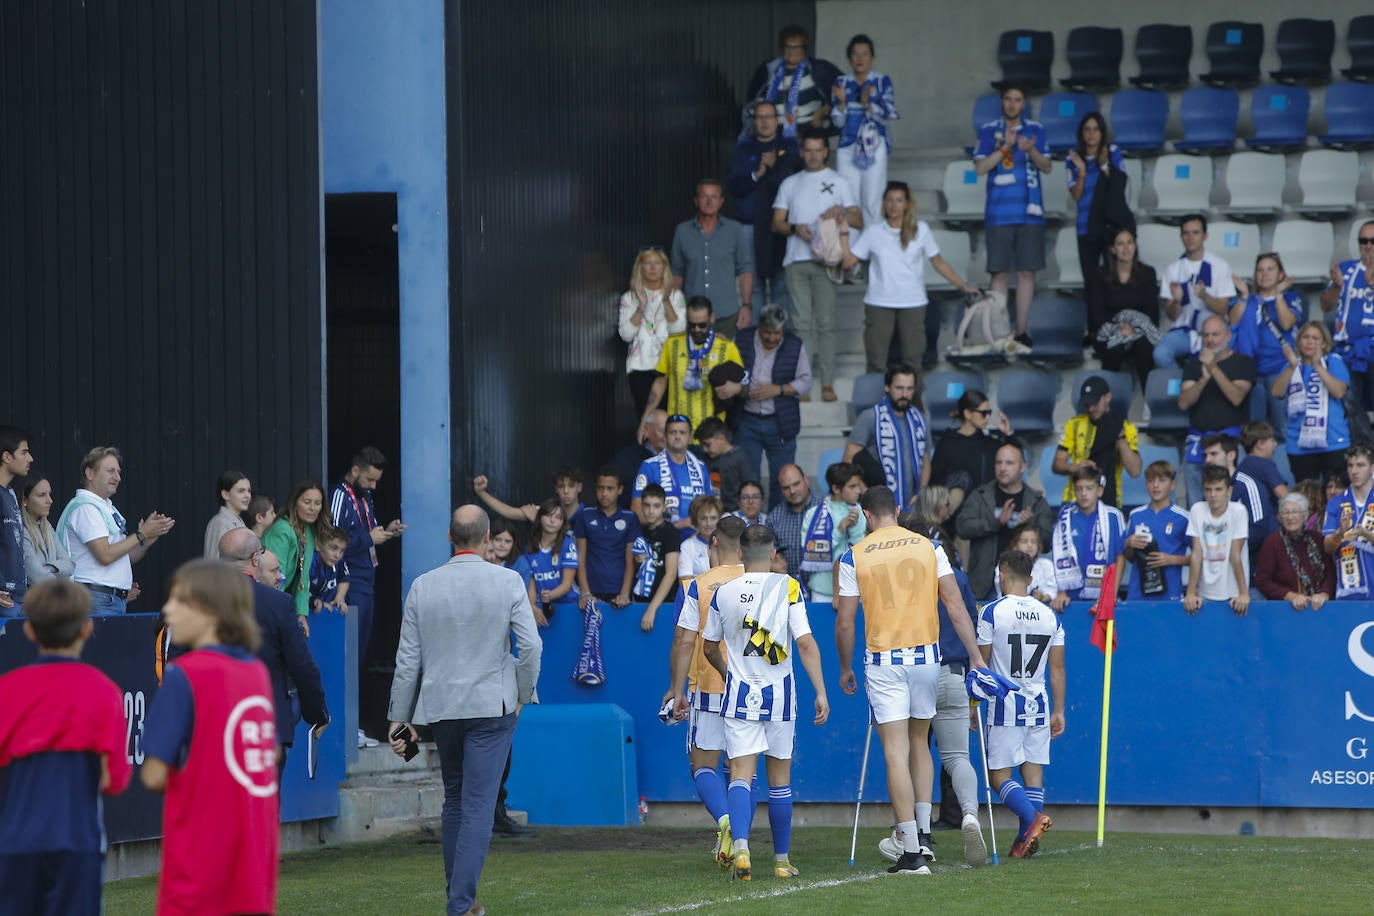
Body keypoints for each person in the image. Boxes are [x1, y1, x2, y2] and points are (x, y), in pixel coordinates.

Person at [388, 506, 542, 916]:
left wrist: (398, 717)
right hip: (492, 703)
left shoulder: (423, 585)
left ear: (449, 535)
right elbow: (531, 646)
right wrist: (525, 692)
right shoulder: (508, 580)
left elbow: (408, 659)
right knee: (474, 804)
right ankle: (460, 905)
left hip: (443, 706)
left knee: (456, 800)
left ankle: (462, 901)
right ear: (487, 537)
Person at [834, 486, 986, 875]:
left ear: (867, 514)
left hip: (885, 659)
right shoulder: (929, 547)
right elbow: (955, 605)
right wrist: (975, 655)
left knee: (894, 750)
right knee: (921, 742)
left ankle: (912, 850)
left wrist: (845, 666)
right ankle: (923, 831)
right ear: (897, 510)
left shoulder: (855, 554)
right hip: (927, 657)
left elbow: (846, 620)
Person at [141, 561, 280, 916]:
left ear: (211, 611)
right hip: (253, 860)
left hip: (199, 856)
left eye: (179, 600)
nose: (168, 609)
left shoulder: (184, 675)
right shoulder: (257, 673)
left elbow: (154, 774)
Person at [703, 525, 828, 881]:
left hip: (739, 694)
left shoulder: (723, 592)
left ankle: (741, 847)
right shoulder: (787, 586)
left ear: (740, 554)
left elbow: (709, 647)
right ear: (772, 555)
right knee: (780, 781)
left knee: (740, 775)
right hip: (780, 696)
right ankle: (781, 860)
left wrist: (729, 673)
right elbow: (804, 642)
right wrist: (820, 690)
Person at [0, 578, 130, 914]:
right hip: (77, 842)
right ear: (87, 629)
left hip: (16, 843)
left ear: (29, 630)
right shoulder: (104, 692)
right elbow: (115, 779)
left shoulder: (7, 690)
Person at [665, 516, 747, 870]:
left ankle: (725, 823)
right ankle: (740, 841)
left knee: (702, 767)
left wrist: (675, 689)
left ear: (713, 542)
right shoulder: (764, 582)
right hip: (751, 689)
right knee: (744, 772)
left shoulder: (696, 585)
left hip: (709, 687)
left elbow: (684, 641)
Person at [978, 550, 1064, 859]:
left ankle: (1032, 820)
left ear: (1002, 575)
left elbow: (982, 663)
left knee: (999, 776)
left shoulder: (991, 611)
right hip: (1038, 703)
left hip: (1004, 703)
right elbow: (1057, 668)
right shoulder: (1050, 615)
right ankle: (1023, 841)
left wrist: (974, 702)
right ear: (1030, 579)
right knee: (1033, 776)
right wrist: (1059, 709)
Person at [222, 529, 330, 773]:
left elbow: (173, 657)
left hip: (211, 727)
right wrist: (318, 712)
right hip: (264, 725)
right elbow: (301, 664)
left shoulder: (194, 600)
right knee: (263, 809)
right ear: (254, 560)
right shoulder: (277, 604)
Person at [840, 182, 977, 373]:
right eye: (889, 200)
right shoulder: (873, 232)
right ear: (883, 204)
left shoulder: (921, 230)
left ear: (906, 204)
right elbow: (848, 262)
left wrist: (962, 285)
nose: (893, 205)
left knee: (913, 364)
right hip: (879, 302)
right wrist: (844, 233)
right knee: (876, 364)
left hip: (912, 302)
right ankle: (876, 403)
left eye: (898, 200)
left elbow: (938, 263)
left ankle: (914, 403)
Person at [772, 126, 863, 401]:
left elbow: (859, 219)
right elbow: (776, 223)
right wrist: (794, 228)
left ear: (826, 152)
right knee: (801, 324)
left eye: (817, 150)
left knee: (825, 323)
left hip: (827, 261)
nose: (812, 155)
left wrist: (842, 211)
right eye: (808, 150)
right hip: (796, 260)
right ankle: (803, 382)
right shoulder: (790, 183)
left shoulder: (840, 181)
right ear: (802, 152)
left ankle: (827, 382)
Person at [330, 446, 406, 719]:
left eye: (376, 481)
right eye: (369, 480)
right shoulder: (339, 495)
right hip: (349, 583)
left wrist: (386, 533)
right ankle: (341, 723)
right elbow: (333, 542)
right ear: (355, 471)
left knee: (359, 657)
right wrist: (369, 540)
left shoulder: (365, 497)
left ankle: (352, 725)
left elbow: (365, 534)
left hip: (367, 580)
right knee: (347, 656)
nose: (373, 486)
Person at [973, 83, 1051, 349]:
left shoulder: (1036, 130)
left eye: (1017, 100)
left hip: (1030, 213)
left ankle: (1021, 331)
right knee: (999, 275)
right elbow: (981, 168)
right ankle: (999, 332)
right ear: (1001, 102)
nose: (1012, 104)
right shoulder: (987, 131)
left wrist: (1030, 150)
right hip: (998, 213)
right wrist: (1005, 148)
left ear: (1024, 103)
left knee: (1026, 273)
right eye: (1008, 99)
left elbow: (1047, 166)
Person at [56, 446, 175, 615]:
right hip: (95, 599)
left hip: (109, 600)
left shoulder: (105, 507)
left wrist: (145, 542)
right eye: (110, 471)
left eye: (119, 472)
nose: (118, 477)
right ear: (90, 473)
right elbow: (105, 555)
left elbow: (125, 557)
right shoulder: (85, 508)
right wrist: (141, 534)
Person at [733, 304, 811, 508]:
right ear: (759, 327)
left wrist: (778, 390)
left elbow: (806, 381)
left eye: (777, 333)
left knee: (782, 479)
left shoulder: (794, 344)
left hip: (780, 422)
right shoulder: (742, 339)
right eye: (768, 332)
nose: (773, 338)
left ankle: (778, 523)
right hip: (747, 420)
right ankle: (750, 527)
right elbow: (731, 370)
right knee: (749, 478)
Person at [956, 441, 1055, 600]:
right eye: (998, 462)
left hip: (1025, 586)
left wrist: (1029, 526)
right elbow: (962, 527)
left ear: (1022, 467)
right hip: (984, 587)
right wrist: (995, 522)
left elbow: (1048, 542)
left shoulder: (1036, 501)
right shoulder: (980, 495)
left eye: (1009, 463)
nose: (1002, 468)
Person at [637, 297, 745, 440]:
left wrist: (737, 388)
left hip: (712, 436)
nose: (696, 330)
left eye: (702, 325)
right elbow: (660, 382)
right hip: (677, 434)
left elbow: (744, 382)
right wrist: (645, 419)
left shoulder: (726, 347)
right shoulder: (672, 344)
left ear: (712, 318)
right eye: (692, 325)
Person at [728, 101, 799, 312]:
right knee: (753, 286)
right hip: (750, 225)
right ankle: (754, 338)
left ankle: (780, 338)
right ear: (754, 121)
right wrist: (757, 173)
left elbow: (798, 184)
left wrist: (775, 166)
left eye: (768, 117)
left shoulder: (790, 147)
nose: (764, 122)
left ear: (777, 121)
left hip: (782, 225)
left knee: (781, 284)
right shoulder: (743, 148)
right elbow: (734, 186)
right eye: (760, 117)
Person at [1178, 314, 1256, 505]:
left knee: (1236, 500)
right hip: (1199, 442)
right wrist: (1204, 378)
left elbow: (1237, 397)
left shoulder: (1243, 362)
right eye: (1206, 335)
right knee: (1196, 504)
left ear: (1228, 336)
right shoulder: (1194, 366)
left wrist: (1214, 369)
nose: (1210, 340)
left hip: (1231, 443)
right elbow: (1183, 402)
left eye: (1215, 334)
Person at [830, 35, 899, 228]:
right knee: (848, 200)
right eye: (855, 55)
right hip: (847, 146)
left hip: (873, 146)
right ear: (849, 58)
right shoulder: (841, 82)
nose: (860, 59)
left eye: (865, 54)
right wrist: (842, 103)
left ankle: (871, 253)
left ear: (872, 57)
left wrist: (868, 104)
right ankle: (851, 251)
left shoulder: (881, 81)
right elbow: (837, 122)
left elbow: (888, 113)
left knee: (872, 200)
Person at [1154, 214, 1240, 369]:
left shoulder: (1219, 265)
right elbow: (1172, 315)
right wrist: (1177, 301)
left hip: (1214, 332)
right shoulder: (1173, 269)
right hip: (1183, 331)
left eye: (1195, 232)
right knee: (1160, 353)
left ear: (1205, 236)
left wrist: (1205, 296)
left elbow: (1223, 309)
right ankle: (1184, 386)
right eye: (1186, 233)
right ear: (1181, 236)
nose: (1190, 237)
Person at [1231, 253, 1303, 437]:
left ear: (1281, 274)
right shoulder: (1247, 300)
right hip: (1251, 372)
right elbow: (1232, 321)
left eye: (1270, 269)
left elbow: (1287, 323)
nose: (1264, 274)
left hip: (1280, 369)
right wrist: (1244, 297)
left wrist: (1278, 296)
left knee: (1283, 429)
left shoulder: (1291, 297)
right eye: (1260, 270)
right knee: (1255, 431)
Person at [671, 180, 753, 338]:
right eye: (704, 197)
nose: (709, 202)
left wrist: (746, 306)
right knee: (693, 361)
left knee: (726, 361)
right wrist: (675, 308)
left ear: (721, 201)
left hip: (726, 314)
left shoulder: (734, 229)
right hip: (692, 315)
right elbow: (677, 273)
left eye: (714, 197)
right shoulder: (682, 231)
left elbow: (744, 271)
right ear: (696, 201)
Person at [843, 363, 929, 508]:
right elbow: (848, 461)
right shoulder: (870, 417)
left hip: (912, 505)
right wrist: (866, 494)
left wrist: (921, 492)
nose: (904, 394)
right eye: (899, 388)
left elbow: (925, 459)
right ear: (887, 387)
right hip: (879, 506)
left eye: (909, 389)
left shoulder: (920, 419)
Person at [1276, 320, 1351, 483]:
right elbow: (1277, 391)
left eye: (1316, 338)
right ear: (1299, 341)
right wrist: (1291, 367)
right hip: (1299, 445)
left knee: (1337, 495)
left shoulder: (1333, 361)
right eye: (1306, 337)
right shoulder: (1291, 366)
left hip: (1334, 442)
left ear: (1324, 343)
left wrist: (1318, 366)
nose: (1310, 341)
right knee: (1308, 497)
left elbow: (1338, 392)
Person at [925, 390, 1013, 528]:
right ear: (967, 414)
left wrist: (1008, 434)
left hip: (981, 514)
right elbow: (936, 480)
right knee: (962, 478)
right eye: (983, 413)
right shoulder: (948, 443)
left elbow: (1015, 458)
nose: (987, 417)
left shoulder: (989, 444)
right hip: (952, 519)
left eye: (989, 412)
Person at [1052, 375, 1143, 508]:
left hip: (1110, 501)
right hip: (1074, 499)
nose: (1090, 409)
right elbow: (1057, 464)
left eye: (1095, 403)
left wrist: (1121, 437)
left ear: (1108, 397)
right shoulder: (1074, 424)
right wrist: (1076, 467)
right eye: (1087, 404)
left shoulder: (1126, 428)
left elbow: (1135, 471)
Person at [1320, 219, 1374, 431]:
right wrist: (1337, 287)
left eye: (1373, 240)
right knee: (1350, 406)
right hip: (1348, 351)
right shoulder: (1345, 269)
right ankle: (1365, 452)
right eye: (1363, 240)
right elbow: (1325, 305)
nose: (1368, 245)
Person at [619, 246, 686, 416]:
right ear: (640, 267)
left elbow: (679, 330)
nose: (653, 267)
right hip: (640, 367)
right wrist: (641, 306)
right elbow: (626, 334)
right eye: (648, 263)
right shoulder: (629, 297)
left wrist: (665, 301)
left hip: (669, 366)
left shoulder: (676, 296)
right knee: (647, 421)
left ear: (664, 267)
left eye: (657, 263)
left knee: (667, 419)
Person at [1091, 227, 1162, 388]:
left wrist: (1133, 329)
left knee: (1144, 347)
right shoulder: (1100, 275)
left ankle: (1149, 401)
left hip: (1140, 330)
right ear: (1112, 249)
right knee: (1114, 347)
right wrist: (1119, 328)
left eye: (1130, 243)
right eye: (1120, 244)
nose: (1126, 248)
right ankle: (1105, 398)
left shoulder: (1148, 273)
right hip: (1108, 330)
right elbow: (1096, 314)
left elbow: (1152, 314)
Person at [744, 25, 839, 142]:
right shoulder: (768, 70)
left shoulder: (819, 69)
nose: (791, 51)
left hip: (809, 137)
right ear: (781, 49)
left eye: (796, 47)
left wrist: (825, 110)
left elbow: (842, 95)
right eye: (787, 47)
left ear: (804, 49)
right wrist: (757, 107)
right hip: (774, 137)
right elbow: (752, 102)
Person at [1050, 467, 1127, 611]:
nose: (1083, 493)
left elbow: (1120, 557)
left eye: (1089, 488)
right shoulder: (1065, 516)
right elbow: (1058, 556)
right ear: (1074, 491)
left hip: (1103, 594)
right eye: (1079, 489)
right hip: (1070, 597)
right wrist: (1061, 592)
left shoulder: (1113, 516)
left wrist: (1111, 596)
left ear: (1100, 491)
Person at [1066, 111, 1127, 291]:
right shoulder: (1073, 159)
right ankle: (1094, 320)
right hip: (1086, 226)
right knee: (1091, 282)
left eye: (1096, 129)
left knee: (1115, 279)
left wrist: (1103, 165)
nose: (1091, 134)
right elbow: (1076, 195)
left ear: (1102, 132)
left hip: (1110, 225)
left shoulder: (1113, 152)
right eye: (1087, 129)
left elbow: (1118, 184)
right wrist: (1082, 172)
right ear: (1081, 133)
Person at [1183, 466, 1251, 615]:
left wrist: (1243, 593)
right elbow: (1196, 554)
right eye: (1208, 489)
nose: (1213, 494)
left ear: (1229, 491)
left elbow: (1235, 554)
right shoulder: (1197, 510)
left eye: (1218, 489)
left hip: (1233, 591)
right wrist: (1191, 592)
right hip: (1205, 590)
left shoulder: (1238, 511)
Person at [1123, 461, 1192, 603]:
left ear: (1172, 485)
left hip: (1169, 594)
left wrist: (1172, 559)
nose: (1155, 485)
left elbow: (1199, 557)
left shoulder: (1183, 517)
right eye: (1150, 481)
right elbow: (1130, 558)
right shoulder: (1136, 515)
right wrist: (1129, 544)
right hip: (1138, 594)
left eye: (1162, 480)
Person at [633, 413, 713, 534]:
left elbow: (711, 508)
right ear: (665, 436)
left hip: (697, 541)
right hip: (662, 539)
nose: (677, 436)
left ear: (690, 437)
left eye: (682, 432)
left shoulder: (700, 467)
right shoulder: (649, 466)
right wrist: (677, 525)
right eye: (672, 432)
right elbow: (637, 512)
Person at [573, 466, 641, 609]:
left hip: (619, 594)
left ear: (620, 489)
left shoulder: (630, 518)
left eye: (610, 489)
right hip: (591, 593)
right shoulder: (584, 515)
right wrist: (585, 592)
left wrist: (624, 593)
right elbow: (580, 558)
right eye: (600, 488)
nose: (604, 493)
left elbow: (630, 561)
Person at [799, 461, 867, 603]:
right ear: (836, 488)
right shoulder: (813, 514)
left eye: (858, 486)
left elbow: (865, 551)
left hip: (855, 589)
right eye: (852, 487)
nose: (858, 491)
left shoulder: (862, 512)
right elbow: (810, 550)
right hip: (822, 591)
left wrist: (854, 529)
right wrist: (839, 530)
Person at [263, 480, 329, 624]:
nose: (313, 508)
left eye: (318, 503)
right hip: (268, 603)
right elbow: (274, 577)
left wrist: (301, 614)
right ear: (294, 503)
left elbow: (303, 578)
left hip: (282, 605)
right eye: (307, 502)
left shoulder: (309, 531)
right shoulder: (282, 530)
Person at [1256, 492, 1334, 609]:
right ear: (1279, 517)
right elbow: (1262, 581)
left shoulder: (1317, 539)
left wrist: (1324, 593)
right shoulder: (1272, 542)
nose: (1290, 517)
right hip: (1284, 608)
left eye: (1295, 512)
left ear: (1305, 515)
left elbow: (1331, 572)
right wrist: (1290, 596)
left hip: (1319, 607)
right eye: (1285, 513)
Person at [1236, 422, 1290, 570]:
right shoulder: (1265, 464)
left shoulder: (1241, 467)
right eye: (1272, 441)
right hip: (1266, 530)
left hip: (1245, 532)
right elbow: (1285, 496)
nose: (1275, 445)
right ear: (1259, 444)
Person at [1323, 444, 1374, 600]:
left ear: (1372, 468)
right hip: (1350, 591)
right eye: (1350, 466)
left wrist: (1367, 535)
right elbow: (1328, 547)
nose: (1354, 471)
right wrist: (1339, 533)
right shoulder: (1336, 503)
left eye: (1360, 465)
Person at [633, 484, 681, 632]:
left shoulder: (670, 532)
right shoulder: (640, 532)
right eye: (646, 505)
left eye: (656, 505)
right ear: (641, 505)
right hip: (640, 601)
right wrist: (637, 562)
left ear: (664, 506)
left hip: (663, 604)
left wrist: (652, 609)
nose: (651, 510)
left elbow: (671, 573)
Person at [475, 465, 586, 527]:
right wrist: (481, 492)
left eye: (571, 486)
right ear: (556, 488)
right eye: (561, 486)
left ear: (579, 487)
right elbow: (508, 511)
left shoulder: (589, 515)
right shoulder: (544, 512)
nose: (566, 491)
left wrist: (537, 521)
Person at [524, 498, 578, 623]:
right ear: (540, 517)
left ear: (563, 522)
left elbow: (567, 584)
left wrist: (550, 595)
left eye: (558, 517)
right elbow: (530, 585)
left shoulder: (568, 545)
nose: (552, 520)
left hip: (568, 605)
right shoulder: (530, 548)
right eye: (548, 515)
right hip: (540, 607)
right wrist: (532, 606)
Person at [0, 427, 34, 615]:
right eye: (24, 452)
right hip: (4, 600)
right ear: (6, 456)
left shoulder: (11, 493)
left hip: (18, 598)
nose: (30, 459)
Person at [765, 464, 822, 577]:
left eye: (796, 484)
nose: (792, 491)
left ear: (806, 479)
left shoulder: (825, 508)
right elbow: (767, 557)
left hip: (822, 588)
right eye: (786, 487)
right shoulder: (774, 517)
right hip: (787, 588)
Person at [21, 476, 74, 584]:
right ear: (25, 500)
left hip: (52, 597)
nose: (49, 500)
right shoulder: (20, 529)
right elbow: (37, 577)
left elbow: (70, 565)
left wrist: (48, 568)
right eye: (42, 495)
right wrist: (58, 573)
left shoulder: (47, 527)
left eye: (50, 494)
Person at [696, 418, 752, 514]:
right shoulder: (703, 458)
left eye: (707, 444)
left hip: (735, 511)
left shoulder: (740, 457)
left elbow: (749, 486)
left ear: (721, 439)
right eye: (702, 445)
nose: (704, 449)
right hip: (708, 510)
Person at [992, 523, 1057, 605]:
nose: (1029, 545)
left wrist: (1042, 596)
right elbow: (1003, 591)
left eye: (1033, 542)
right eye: (1024, 541)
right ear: (1015, 545)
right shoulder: (1005, 564)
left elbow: (1053, 592)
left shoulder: (1047, 565)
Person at [613, 410, 665, 509]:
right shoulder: (627, 458)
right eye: (662, 431)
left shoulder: (678, 459)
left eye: (669, 431)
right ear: (647, 430)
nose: (666, 436)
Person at [203, 470, 250, 559]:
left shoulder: (238, 520)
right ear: (225, 494)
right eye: (241, 491)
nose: (247, 495)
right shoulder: (219, 523)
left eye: (249, 491)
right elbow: (213, 562)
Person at [677, 494, 722, 581]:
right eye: (703, 518)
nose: (708, 523)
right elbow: (685, 584)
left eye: (713, 518)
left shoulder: (728, 543)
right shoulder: (687, 546)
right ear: (695, 520)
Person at [309, 524, 352, 614]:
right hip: (308, 615)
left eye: (342, 551)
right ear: (317, 544)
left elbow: (344, 578)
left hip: (329, 614)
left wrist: (339, 597)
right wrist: (313, 601)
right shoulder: (311, 562)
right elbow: (299, 590)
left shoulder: (338, 561)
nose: (337, 555)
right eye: (333, 548)